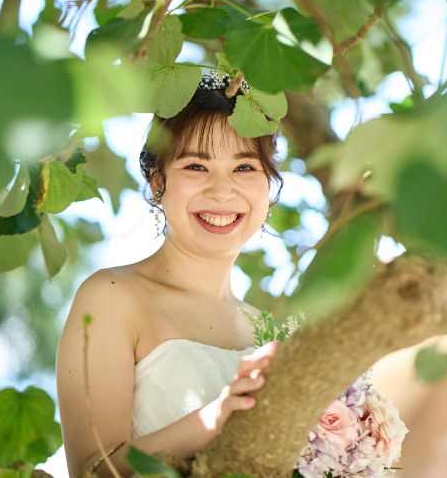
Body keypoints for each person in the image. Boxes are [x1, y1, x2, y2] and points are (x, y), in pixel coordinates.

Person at [56, 72, 283, 478]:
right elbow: (94, 470)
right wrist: (214, 418)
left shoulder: (266, 328)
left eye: (245, 167)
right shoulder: (111, 298)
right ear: (157, 180)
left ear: (269, 184)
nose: (221, 192)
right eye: (196, 165)